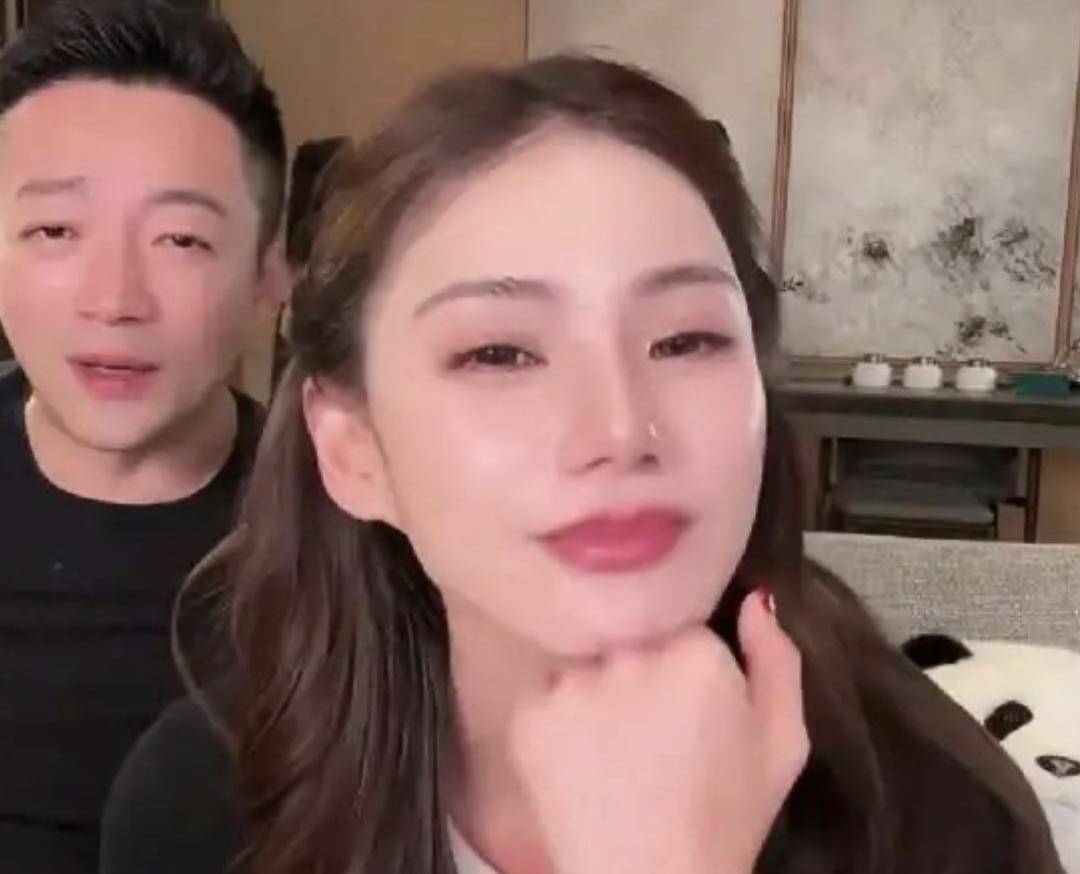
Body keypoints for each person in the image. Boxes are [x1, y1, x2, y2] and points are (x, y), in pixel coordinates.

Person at [103, 55, 1063, 874]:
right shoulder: (208, 805)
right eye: (499, 353)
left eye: (685, 340)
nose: (620, 427)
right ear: (354, 450)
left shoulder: (941, 819)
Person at [0, 0, 286, 870]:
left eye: (181, 239)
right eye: (55, 230)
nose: (115, 299)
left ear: (268, 273)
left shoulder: (350, 531)